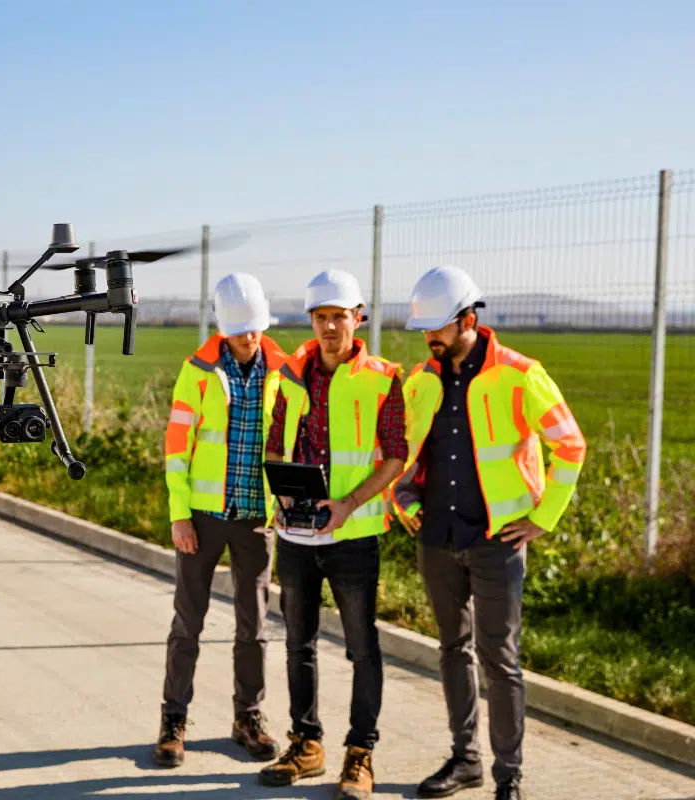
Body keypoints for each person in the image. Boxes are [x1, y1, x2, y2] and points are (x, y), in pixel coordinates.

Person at [392, 266, 587, 800]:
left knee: (500, 659)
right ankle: (465, 760)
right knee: (452, 649)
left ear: (468, 320)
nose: (429, 338)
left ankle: (509, 776)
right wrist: (401, 494)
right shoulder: (421, 379)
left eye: (437, 328)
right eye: (424, 329)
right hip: (436, 537)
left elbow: (571, 446)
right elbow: (403, 451)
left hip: (497, 541)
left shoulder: (521, 374)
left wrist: (544, 517)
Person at [257, 269, 407, 800]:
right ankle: (307, 743)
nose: (328, 327)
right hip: (297, 536)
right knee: (298, 644)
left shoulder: (384, 378)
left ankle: (360, 754)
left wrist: (347, 504)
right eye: (320, 318)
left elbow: (396, 457)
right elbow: (275, 445)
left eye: (338, 317)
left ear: (357, 318)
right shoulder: (292, 376)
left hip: (353, 537)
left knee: (362, 650)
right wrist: (281, 494)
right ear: (311, 321)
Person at [154, 272, 289, 768]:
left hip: (257, 518)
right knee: (188, 623)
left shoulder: (284, 370)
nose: (249, 338)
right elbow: (176, 447)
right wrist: (179, 514)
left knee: (253, 627)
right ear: (223, 328)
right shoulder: (198, 371)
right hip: (203, 520)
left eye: (255, 328)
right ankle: (173, 722)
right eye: (239, 330)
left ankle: (248, 718)